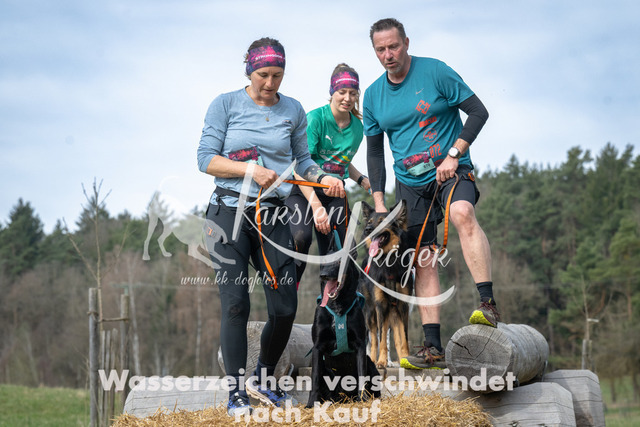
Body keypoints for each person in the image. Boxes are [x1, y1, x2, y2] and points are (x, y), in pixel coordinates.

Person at [197, 37, 345, 416]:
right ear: (249, 71)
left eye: (277, 75)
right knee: (236, 304)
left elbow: (302, 161)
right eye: (263, 74)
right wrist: (249, 169)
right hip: (227, 214)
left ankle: (263, 378)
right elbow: (205, 160)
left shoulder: (292, 109)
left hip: (273, 215)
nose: (270, 82)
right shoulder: (225, 104)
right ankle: (236, 394)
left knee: (284, 306)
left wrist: (322, 177)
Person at [363, 18, 498, 370]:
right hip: (409, 184)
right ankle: (432, 346)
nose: (388, 54)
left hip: (451, 170)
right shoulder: (373, 96)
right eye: (380, 49)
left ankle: (487, 304)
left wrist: (454, 153)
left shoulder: (436, 72)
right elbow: (375, 153)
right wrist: (379, 202)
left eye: (394, 46)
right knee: (423, 257)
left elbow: (478, 112)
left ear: (406, 42)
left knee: (462, 213)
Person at [286, 63, 370, 286]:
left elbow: (342, 162)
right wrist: (316, 207)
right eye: (342, 92)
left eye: (353, 93)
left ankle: (330, 300)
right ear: (332, 91)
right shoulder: (315, 119)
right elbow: (299, 165)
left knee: (343, 251)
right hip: (304, 190)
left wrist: (362, 179)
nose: (347, 98)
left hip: (334, 193)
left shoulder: (357, 128)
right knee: (301, 238)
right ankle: (287, 292)